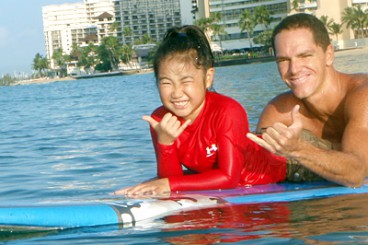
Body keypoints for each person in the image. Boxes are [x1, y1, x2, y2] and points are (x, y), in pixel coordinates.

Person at [115, 25, 286, 197]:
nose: (176, 93)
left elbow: (229, 178)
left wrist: (166, 183)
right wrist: (165, 143)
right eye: (166, 83)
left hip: (287, 167)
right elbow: (171, 181)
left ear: (208, 78)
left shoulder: (228, 111)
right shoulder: (160, 121)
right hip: (223, 183)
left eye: (186, 81)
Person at [247, 13, 368, 187]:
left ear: (329, 54)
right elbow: (256, 168)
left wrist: (298, 149)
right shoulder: (279, 111)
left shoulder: (362, 96)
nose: (294, 69)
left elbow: (356, 173)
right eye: (283, 60)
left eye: (305, 56)